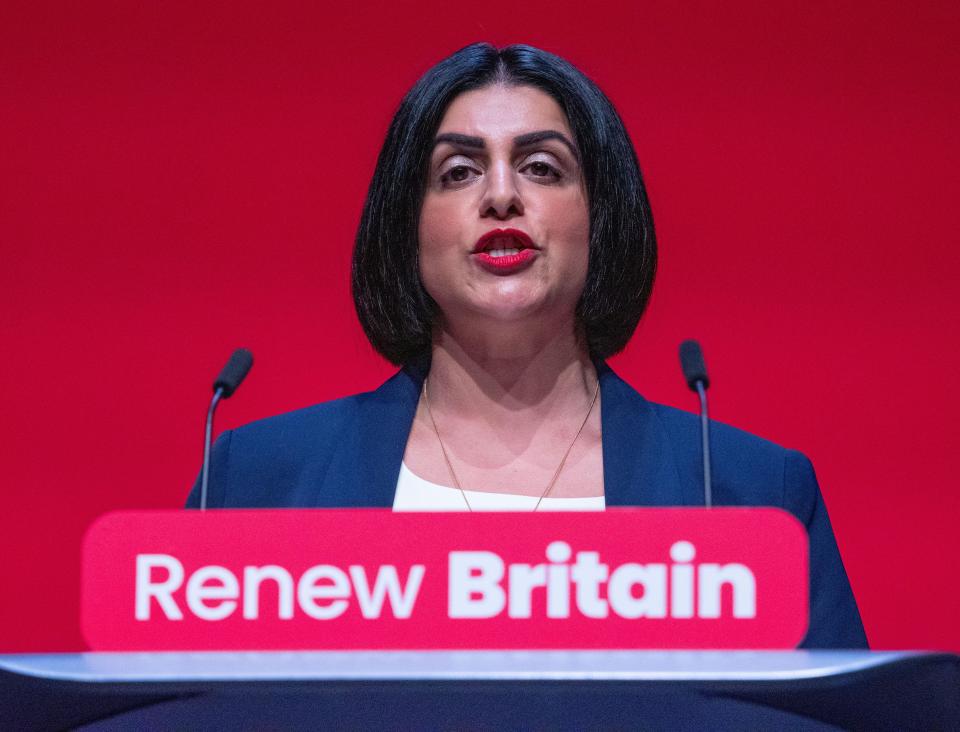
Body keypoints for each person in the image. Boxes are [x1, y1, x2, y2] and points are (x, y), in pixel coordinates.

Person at [187, 43, 867, 648]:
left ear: (602, 214)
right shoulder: (254, 484)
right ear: (407, 223)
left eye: (542, 168)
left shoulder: (751, 496)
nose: (502, 196)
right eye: (458, 172)